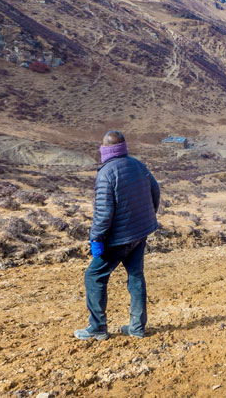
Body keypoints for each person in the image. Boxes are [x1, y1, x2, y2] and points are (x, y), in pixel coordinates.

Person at [75, 131, 161, 340]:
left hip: (119, 238)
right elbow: (155, 191)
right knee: (136, 276)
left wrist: (96, 238)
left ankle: (97, 328)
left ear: (105, 149)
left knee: (94, 276)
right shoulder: (137, 165)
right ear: (123, 148)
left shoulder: (106, 173)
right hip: (140, 233)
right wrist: (147, 217)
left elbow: (104, 213)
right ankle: (137, 327)